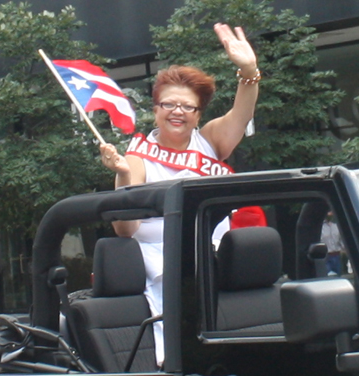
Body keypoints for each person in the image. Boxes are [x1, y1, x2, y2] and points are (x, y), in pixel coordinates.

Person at [100, 23, 259, 367]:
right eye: (169, 104)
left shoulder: (211, 141)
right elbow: (125, 232)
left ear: (199, 114)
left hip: (216, 261)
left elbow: (241, 113)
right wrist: (124, 177)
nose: (178, 112)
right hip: (162, 268)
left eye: (188, 107)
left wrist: (248, 72)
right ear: (155, 109)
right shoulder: (138, 156)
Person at [321, 211, 346, 276]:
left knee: (338, 277)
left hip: (337, 255)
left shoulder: (337, 225)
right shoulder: (321, 227)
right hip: (325, 256)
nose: (330, 214)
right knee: (328, 276)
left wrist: (345, 249)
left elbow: (341, 240)